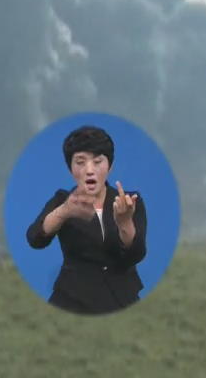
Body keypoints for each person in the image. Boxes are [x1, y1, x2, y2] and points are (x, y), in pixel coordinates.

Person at [25, 125, 147, 314]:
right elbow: (35, 238)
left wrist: (124, 223)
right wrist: (64, 211)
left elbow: (135, 255)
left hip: (122, 297)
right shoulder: (62, 200)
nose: (89, 170)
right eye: (80, 162)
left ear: (110, 166)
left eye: (97, 162)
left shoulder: (129, 201)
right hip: (72, 298)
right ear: (70, 168)